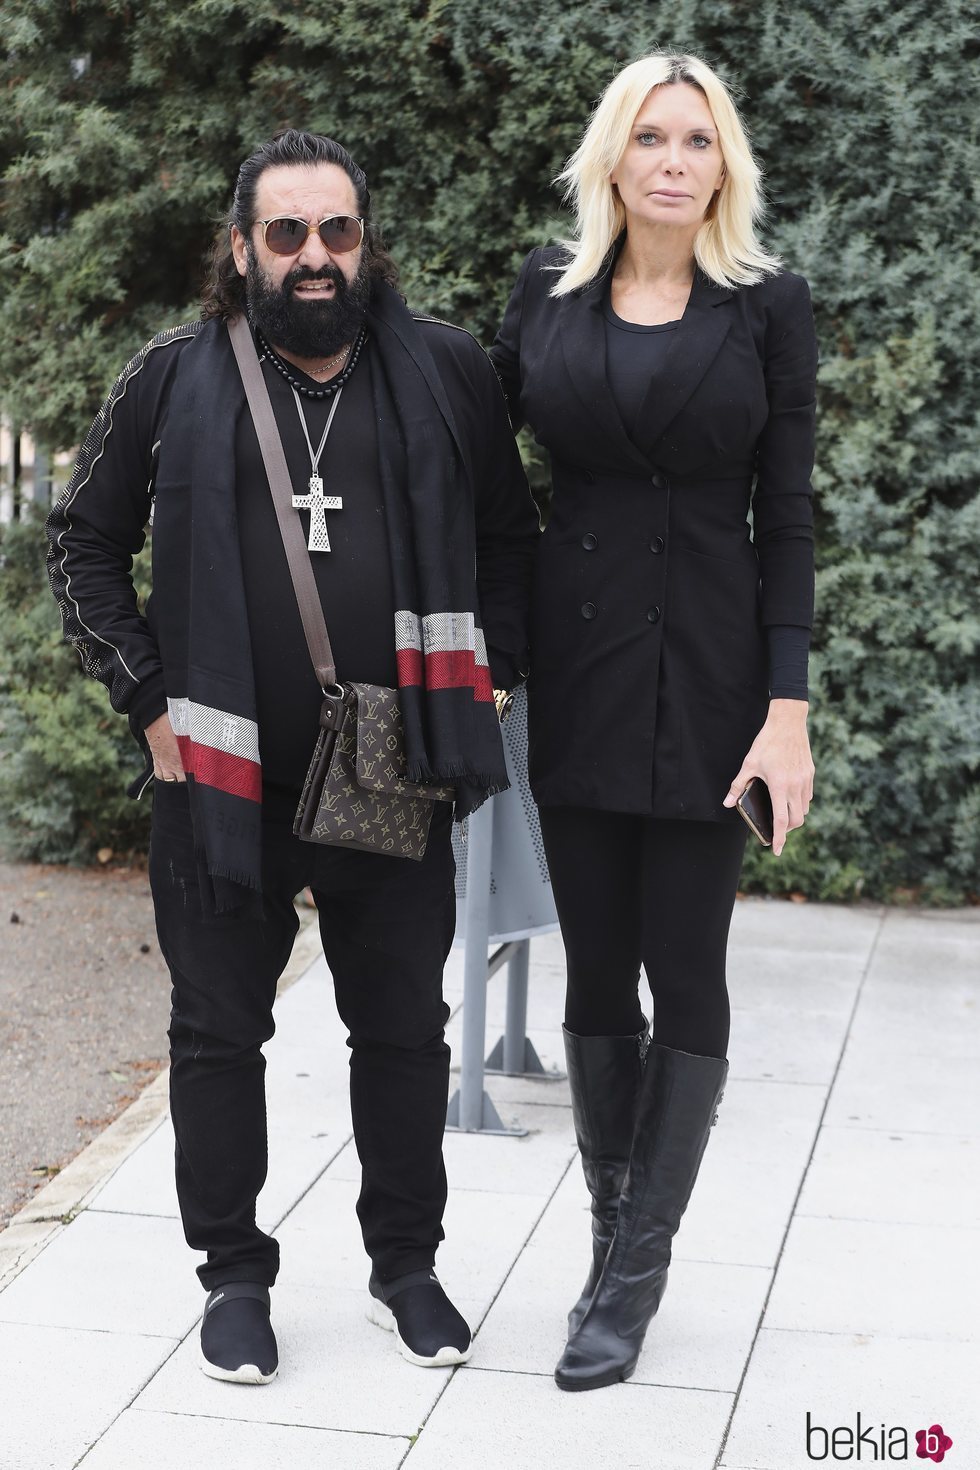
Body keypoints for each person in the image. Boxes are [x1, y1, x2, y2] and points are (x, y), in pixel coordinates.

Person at [47, 130, 537, 1385]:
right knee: (217, 1033)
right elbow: (80, 546)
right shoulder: (171, 376)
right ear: (241, 247)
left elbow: (506, 544)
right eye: (286, 234)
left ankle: (405, 1268)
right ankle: (232, 1278)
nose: (313, 257)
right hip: (217, 776)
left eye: (336, 232)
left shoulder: (443, 373)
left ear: (364, 243)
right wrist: (148, 701)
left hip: (394, 764)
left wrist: (482, 685)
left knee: (403, 1030)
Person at [490, 53, 817, 1392]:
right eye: (650, 137)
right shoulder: (544, 297)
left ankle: (634, 1266)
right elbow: (479, 482)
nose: (674, 159)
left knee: (687, 973)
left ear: (721, 163)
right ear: (613, 159)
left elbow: (787, 515)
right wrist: (492, 648)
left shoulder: (767, 308)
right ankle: (606, 1235)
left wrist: (786, 711)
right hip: (578, 674)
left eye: (697, 139)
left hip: (717, 686)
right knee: (591, 975)